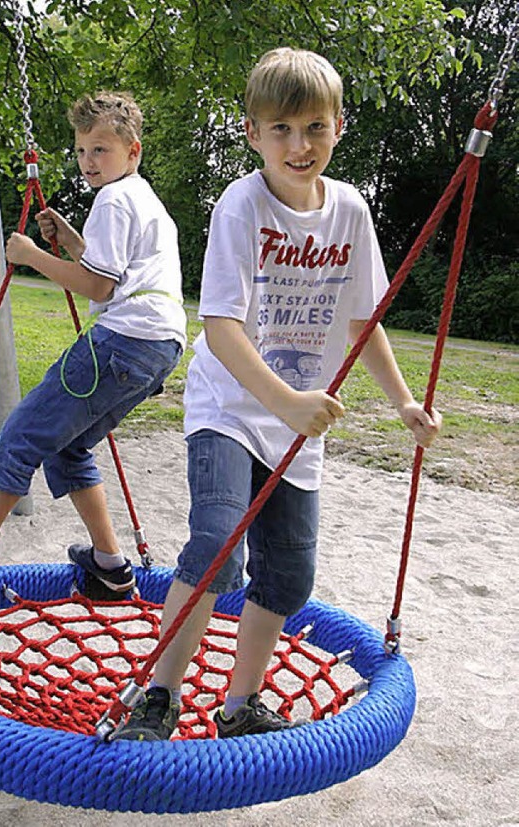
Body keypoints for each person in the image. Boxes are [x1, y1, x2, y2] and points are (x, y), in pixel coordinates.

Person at [114, 48, 441, 741]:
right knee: (218, 543)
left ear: (339, 128)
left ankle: (240, 703)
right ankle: (158, 693)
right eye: (282, 129)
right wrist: (287, 401)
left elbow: (362, 321)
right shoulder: (242, 205)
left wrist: (404, 402)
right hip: (230, 406)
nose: (300, 145)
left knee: (289, 574)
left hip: (297, 424)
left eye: (315, 128)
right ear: (252, 133)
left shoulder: (349, 210)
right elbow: (223, 329)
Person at [0, 91, 186, 598]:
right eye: (81, 151)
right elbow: (113, 271)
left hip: (122, 339)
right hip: (159, 345)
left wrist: (32, 254)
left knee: (19, 437)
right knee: (69, 447)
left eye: (101, 150)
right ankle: (110, 564)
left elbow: (99, 287)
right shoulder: (144, 201)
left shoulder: (114, 200)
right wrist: (71, 237)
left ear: (133, 150)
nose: (89, 162)